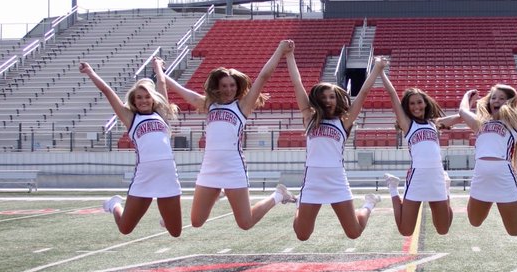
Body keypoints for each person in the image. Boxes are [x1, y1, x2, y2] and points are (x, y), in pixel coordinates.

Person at [154, 42, 296, 230]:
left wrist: (280, 51)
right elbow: (179, 89)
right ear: (218, 87)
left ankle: (278, 195)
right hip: (210, 168)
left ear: (237, 87)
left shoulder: (242, 106)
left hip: (233, 168)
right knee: (196, 222)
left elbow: (263, 76)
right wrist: (159, 71)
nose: (229, 89)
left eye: (232, 85)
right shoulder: (208, 105)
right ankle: (218, 191)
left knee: (245, 223)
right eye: (224, 86)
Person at [286, 45, 388, 240]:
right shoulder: (309, 117)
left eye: (331, 97)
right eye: (323, 97)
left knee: (354, 233)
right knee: (302, 235)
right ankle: (297, 201)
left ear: (337, 99)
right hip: (313, 179)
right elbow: (297, 84)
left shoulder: (344, 121)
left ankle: (369, 204)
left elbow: (364, 94)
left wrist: (376, 68)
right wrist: (290, 55)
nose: (327, 100)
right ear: (317, 99)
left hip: (336, 179)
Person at [80, 61, 182, 237]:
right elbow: (107, 91)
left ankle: (166, 218)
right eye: (139, 97)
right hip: (144, 175)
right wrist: (90, 72)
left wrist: (158, 68)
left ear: (153, 98)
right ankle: (114, 205)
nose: (143, 100)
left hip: (167, 175)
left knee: (175, 232)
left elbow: (162, 83)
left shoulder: (162, 114)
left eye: (147, 96)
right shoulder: (130, 118)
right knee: (125, 229)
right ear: (134, 101)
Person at [458, 60, 517, 236]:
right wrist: (468, 97)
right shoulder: (480, 123)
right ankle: (493, 198)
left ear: (510, 102)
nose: (496, 101)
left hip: (503, 174)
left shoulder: (516, 122)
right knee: (474, 221)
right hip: (481, 174)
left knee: (515, 231)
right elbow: (462, 111)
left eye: (501, 98)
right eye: (493, 98)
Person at [379, 66, 462, 236]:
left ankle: (446, 190)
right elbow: (393, 95)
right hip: (418, 176)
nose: (416, 106)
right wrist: (380, 72)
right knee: (405, 231)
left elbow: (461, 116)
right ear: (407, 107)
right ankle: (393, 187)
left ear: (425, 103)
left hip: (437, 176)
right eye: (412, 103)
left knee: (443, 229)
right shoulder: (408, 125)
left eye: (419, 102)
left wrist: (468, 98)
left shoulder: (435, 123)